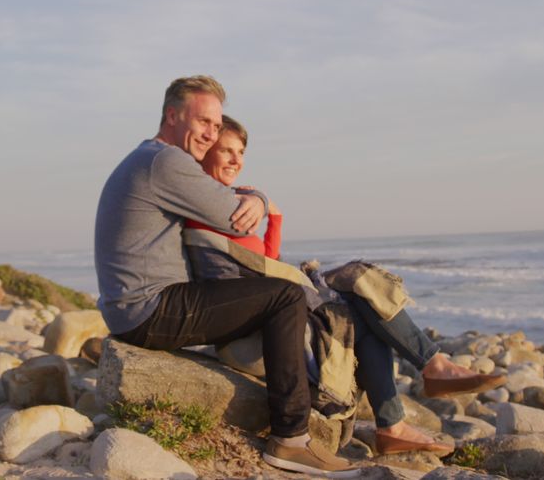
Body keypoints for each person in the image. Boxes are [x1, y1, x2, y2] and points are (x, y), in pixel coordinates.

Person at [186, 116, 506, 455]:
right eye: (227, 151)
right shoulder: (209, 205)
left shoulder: (226, 206)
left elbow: (267, 259)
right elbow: (263, 267)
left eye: (241, 152)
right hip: (255, 326)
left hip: (268, 303)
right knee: (356, 283)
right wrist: (259, 198)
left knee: (360, 307)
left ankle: (396, 421)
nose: (237, 160)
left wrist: (272, 215)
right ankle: (425, 376)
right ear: (205, 153)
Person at [95, 75, 358, 476]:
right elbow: (236, 221)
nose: (210, 133)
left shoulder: (149, 157)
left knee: (265, 295)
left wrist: (254, 200)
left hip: (134, 306)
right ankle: (291, 439)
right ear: (171, 115)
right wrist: (261, 198)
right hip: (148, 309)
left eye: (216, 126)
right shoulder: (168, 161)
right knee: (285, 295)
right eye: (203, 122)